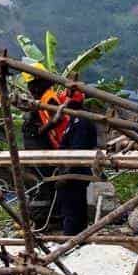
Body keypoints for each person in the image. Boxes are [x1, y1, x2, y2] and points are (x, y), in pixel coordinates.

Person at [51, 88, 96, 236]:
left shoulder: (80, 122)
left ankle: (72, 239)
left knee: (72, 211)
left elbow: (77, 151)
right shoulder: (75, 121)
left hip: (75, 174)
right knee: (73, 209)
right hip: (72, 172)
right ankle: (76, 239)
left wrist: (66, 174)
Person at [21, 67, 59, 229]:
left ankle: (45, 219)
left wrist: (40, 130)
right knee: (39, 184)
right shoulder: (42, 99)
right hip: (37, 151)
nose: (30, 89)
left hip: (42, 151)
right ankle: (41, 218)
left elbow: (54, 121)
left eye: (31, 85)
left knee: (42, 185)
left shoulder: (49, 99)